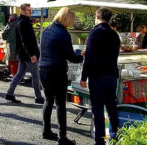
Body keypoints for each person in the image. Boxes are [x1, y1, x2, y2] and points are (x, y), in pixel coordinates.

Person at [40, 7, 84, 144]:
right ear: (67, 19)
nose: (72, 23)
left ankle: (46, 130)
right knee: (60, 104)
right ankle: (62, 137)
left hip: (43, 69)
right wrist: (81, 56)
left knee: (48, 100)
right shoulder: (63, 34)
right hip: (57, 71)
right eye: (72, 20)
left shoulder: (46, 30)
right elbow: (70, 56)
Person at [80, 7, 121, 145]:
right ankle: (116, 136)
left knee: (98, 110)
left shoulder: (94, 33)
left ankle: (100, 139)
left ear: (97, 17)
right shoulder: (114, 34)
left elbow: (89, 57)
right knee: (111, 107)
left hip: (97, 76)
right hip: (111, 74)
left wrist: (83, 77)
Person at [5, 2, 44, 104]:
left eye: (31, 10)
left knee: (20, 73)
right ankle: (38, 96)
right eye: (28, 10)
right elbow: (25, 41)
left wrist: (31, 21)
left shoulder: (23, 21)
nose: (30, 12)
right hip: (28, 54)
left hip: (24, 54)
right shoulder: (22, 22)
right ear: (22, 11)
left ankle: (10, 93)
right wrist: (32, 55)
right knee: (35, 75)